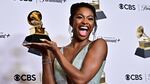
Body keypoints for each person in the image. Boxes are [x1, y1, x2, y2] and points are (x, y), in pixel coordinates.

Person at [24, 2, 108, 84]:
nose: (85, 22)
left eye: (90, 18)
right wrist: (45, 54)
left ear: (93, 25)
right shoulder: (57, 51)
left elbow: (81, 80)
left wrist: (56, 52)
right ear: (71, 21)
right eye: (80, 17)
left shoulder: (99, 45)